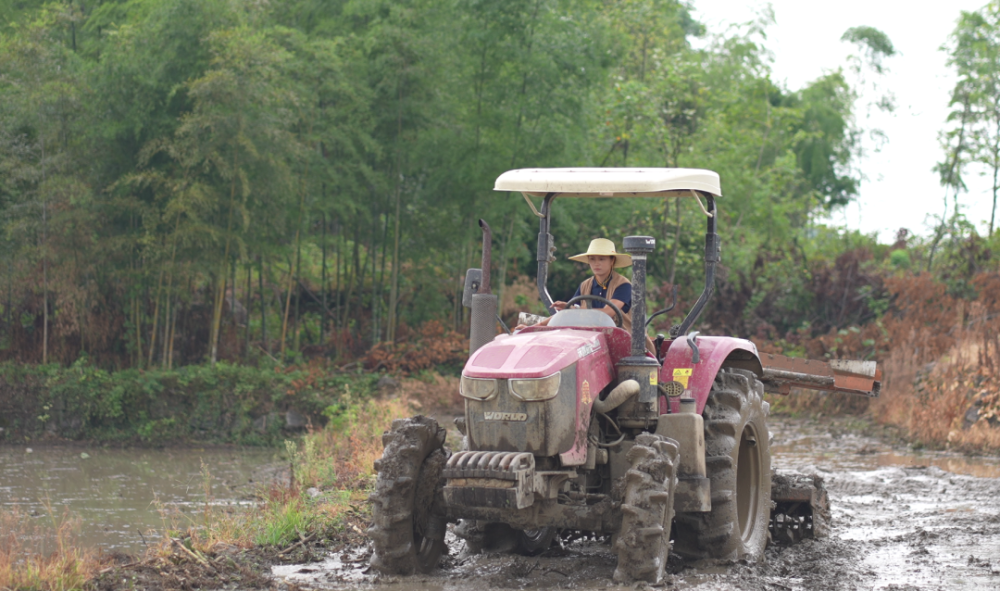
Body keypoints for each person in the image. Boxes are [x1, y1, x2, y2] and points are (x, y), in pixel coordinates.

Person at [516, 237, 635, 330]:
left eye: (602, 259)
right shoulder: (585, 285)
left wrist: (575, 310)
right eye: (592, 259)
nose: (596, 263)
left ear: (612, 260)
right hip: (590, 337)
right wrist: (533, 327)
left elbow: (608, 313)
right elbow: (566, 314)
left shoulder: (623, 285)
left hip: (621, 339)